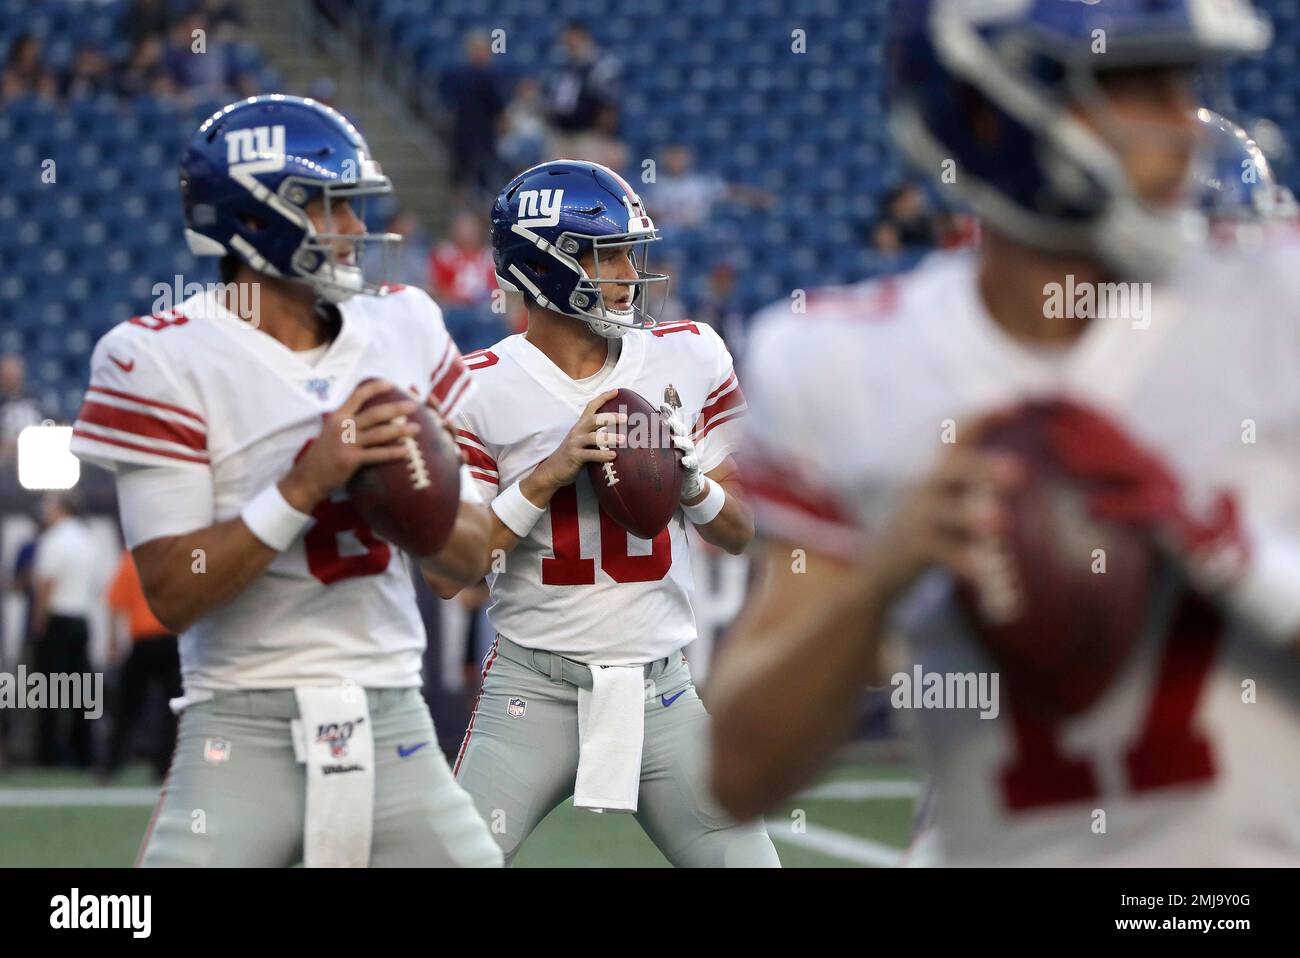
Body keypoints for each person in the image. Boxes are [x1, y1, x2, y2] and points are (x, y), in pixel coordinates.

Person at [710, 0, 1300, 866]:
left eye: (1183, 81)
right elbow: (741, 774)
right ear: (987, 110)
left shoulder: (1276, 306)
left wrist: (1237, 561)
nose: (1184, 123)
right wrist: (882, 579)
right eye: (1131, 85)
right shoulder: (844, 364)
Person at [70, 95, 501, 868]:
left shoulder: (402, 324)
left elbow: (463, 568)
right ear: (257, 219)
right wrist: (306, 484)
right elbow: (172, 590)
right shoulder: (159, 357)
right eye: (329, 206)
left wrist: (413, 492)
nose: (352, 229)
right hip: (240, 728)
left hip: (395, 724)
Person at [448, 159, 780, 867]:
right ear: (548, 265)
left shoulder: (688, 355)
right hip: (529, 694)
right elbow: (454, 573)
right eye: (609, 254)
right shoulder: (478, 388)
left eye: (632, 251)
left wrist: (692, 486)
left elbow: (745, 529)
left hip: (662, 690)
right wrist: (550, 472)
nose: (632, 270)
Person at [30, 491, 99, 768]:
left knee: (48, 691)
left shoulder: (53, 540)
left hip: (57, 620)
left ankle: (49, 755)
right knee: (81, 691)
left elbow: (46, 586)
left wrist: (39, 622)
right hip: (81, 619)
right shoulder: (88, 540)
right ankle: (83, 753)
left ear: (60, 510)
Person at [102, 549, 181, 782]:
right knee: (171, 708)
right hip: (169, 638)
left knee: (127, 707)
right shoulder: (174, 556)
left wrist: (113, 641)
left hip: (145, 640)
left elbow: (115, 604)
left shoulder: (132, 559)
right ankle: (165, 766)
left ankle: (111, 764)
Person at [0, 354, 41, 463]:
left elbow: (51, 421)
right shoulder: (2, 404)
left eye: (14, 373)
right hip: (9, 457)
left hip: (38, 450)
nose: (12, 377)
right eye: (8, 373)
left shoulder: (34, 399)